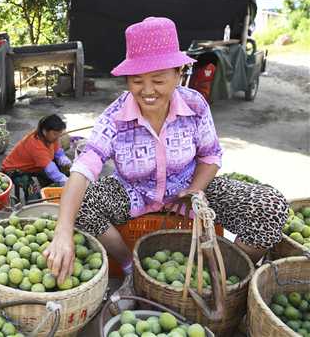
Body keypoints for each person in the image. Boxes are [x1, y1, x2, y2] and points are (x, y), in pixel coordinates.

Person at [43, 17, 287, 295]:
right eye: (137, 81)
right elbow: (83, 169)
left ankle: (227, 279)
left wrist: (194, 190)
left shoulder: (194, 105)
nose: (147, 91)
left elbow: (211, 156)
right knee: (78, 205)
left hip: (188, 190)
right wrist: (62, 232)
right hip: (133, 192)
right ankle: (129, 268)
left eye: (158, 80)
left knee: (271, 206)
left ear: (179, 72)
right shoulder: (115, 117)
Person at [1, 114, 72, 187]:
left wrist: (62, 157)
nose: (57, 137)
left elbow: (57, 151)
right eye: (55, 134)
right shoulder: (35, 145)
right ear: (44, 131)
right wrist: (65, 180)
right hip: (14, 169)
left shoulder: (50, 137)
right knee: (33, 190)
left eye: (59, 134)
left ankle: (47, 186)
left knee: (60, 170)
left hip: (33, 164)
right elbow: (51, 170)